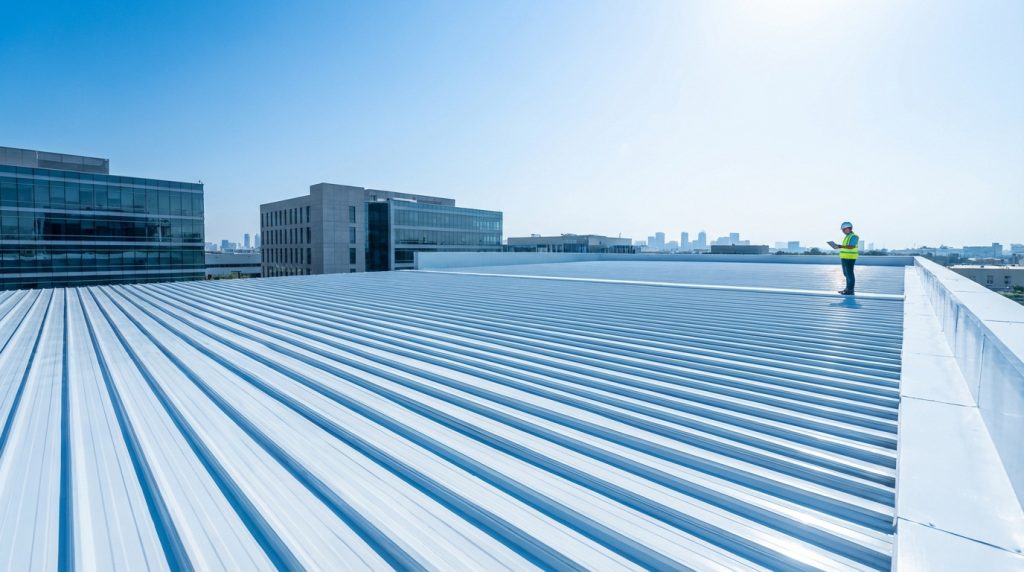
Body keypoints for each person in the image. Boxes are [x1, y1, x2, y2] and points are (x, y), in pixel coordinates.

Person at [828, 221, 859, 295]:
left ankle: (850, 290)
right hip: (844, 258)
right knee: (846, 274)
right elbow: (846, 247)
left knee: (849, 274)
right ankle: (847, 289)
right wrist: (838, 246)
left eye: (844, 229)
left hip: (850, 258)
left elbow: (852, 246)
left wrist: (840, 246)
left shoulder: (854, 236)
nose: (843, 231)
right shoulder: (847, 236)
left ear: (849, 228)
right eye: (842, 230)